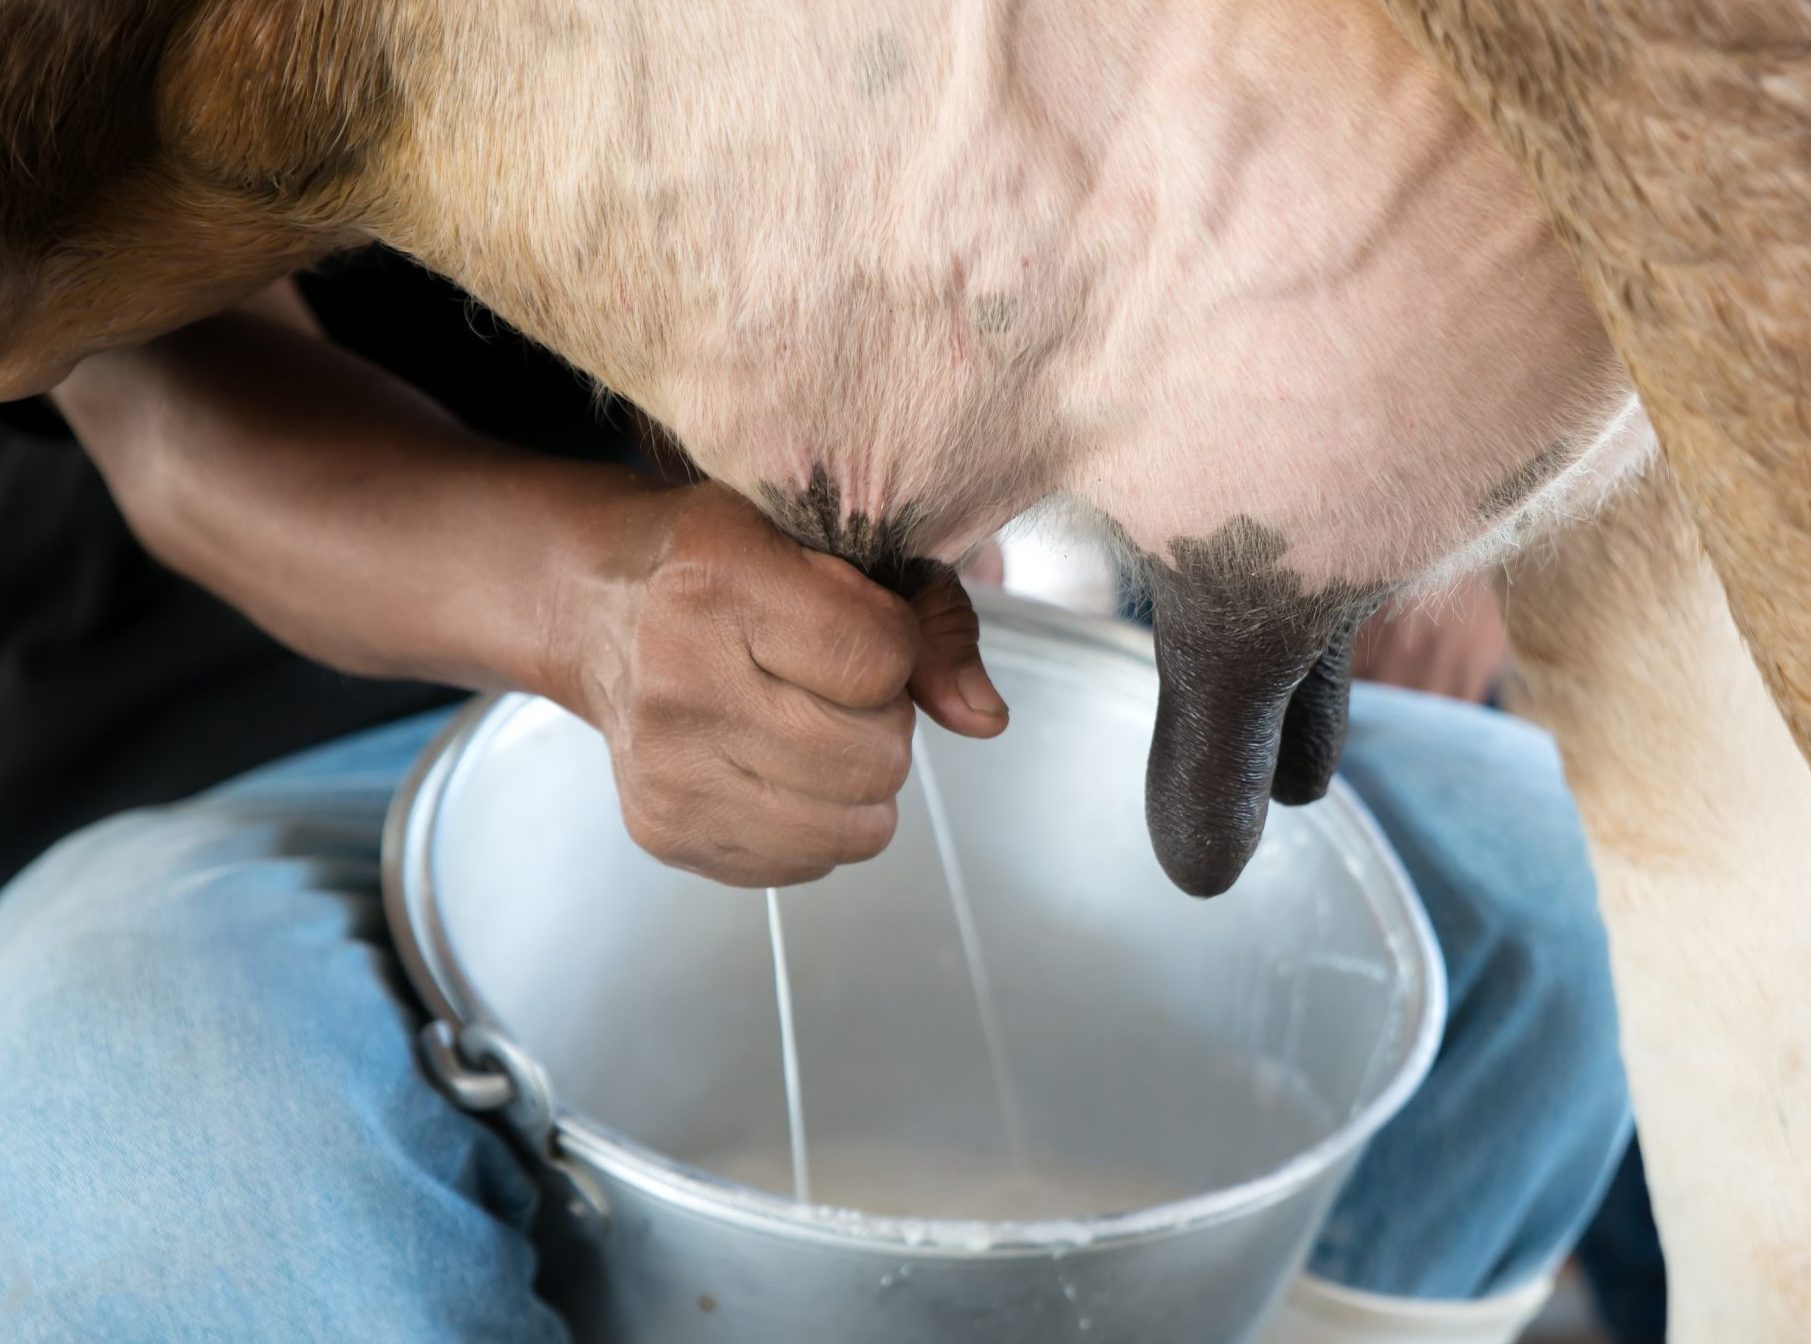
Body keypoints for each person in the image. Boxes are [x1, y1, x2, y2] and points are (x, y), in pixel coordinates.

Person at [0, 265, 1630, 1344]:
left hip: (885, 682)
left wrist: (1447, 464)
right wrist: (594, 605)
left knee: (1532, 887)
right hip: (286, 709)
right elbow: (155, 393)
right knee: (158, 1125)